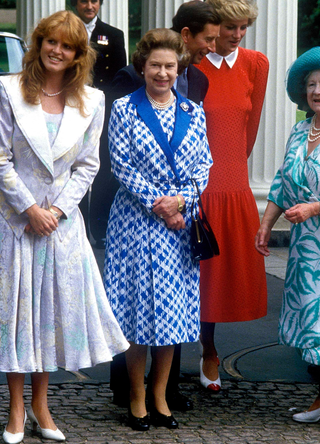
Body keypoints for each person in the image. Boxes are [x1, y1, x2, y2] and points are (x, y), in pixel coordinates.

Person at [0, 10, 129, 444]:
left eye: (67, 45)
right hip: (15, 223)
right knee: (17, 317)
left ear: (78, 54)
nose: (58, 50)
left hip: (61, 226)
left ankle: (41, 405)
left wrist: (54, 212)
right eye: (51, 42)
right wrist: (29, 209)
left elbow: (88, 165)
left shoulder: (92, 100)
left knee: (49, 316)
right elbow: (0, 159)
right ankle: (16, 409)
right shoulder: (8, 89)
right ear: (38, 44)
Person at [108, 0, 221, 413]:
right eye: (155, 65)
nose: (162, 73)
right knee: (138, 313)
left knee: (171, 314)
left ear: (180, 69)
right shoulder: (124, 108)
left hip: (179, 229)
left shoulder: (194, 111)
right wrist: (162, 205)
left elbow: (204, 165)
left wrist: (183, 201)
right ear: (143, 66)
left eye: (170, 66)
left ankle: (161, 395)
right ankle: (136, 396)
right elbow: (120, 165)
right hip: (137, 224)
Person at [197, 0, 269, 393]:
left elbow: (251, 127)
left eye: (243, 28)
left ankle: (210, 347)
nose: (237, 35)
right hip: (197, 183)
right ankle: (205, 348)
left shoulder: (256, 64)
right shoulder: (192, 64)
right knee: (196, 277)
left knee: (221, 280)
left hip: (232, 181)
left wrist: (231, 173)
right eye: (230, 27)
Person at [255, 46, 320, 423]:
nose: (317, 90)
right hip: (306, 246)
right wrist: (266, 223)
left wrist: (314, 207)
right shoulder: (299, 131)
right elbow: (281, 182)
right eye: (311, 84)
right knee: (310, 319)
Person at [71, 0, 127, 246]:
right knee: (74, 165)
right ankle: (77, 223)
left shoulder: (114, 35)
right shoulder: (67, 30)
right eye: (84, 0)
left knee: (103, 168)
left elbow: (119, 76)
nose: (89, 5)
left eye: (95, 0)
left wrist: (111, 112)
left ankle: (99, 227)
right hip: (71, 104)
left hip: (101, 107)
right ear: (76, 3)